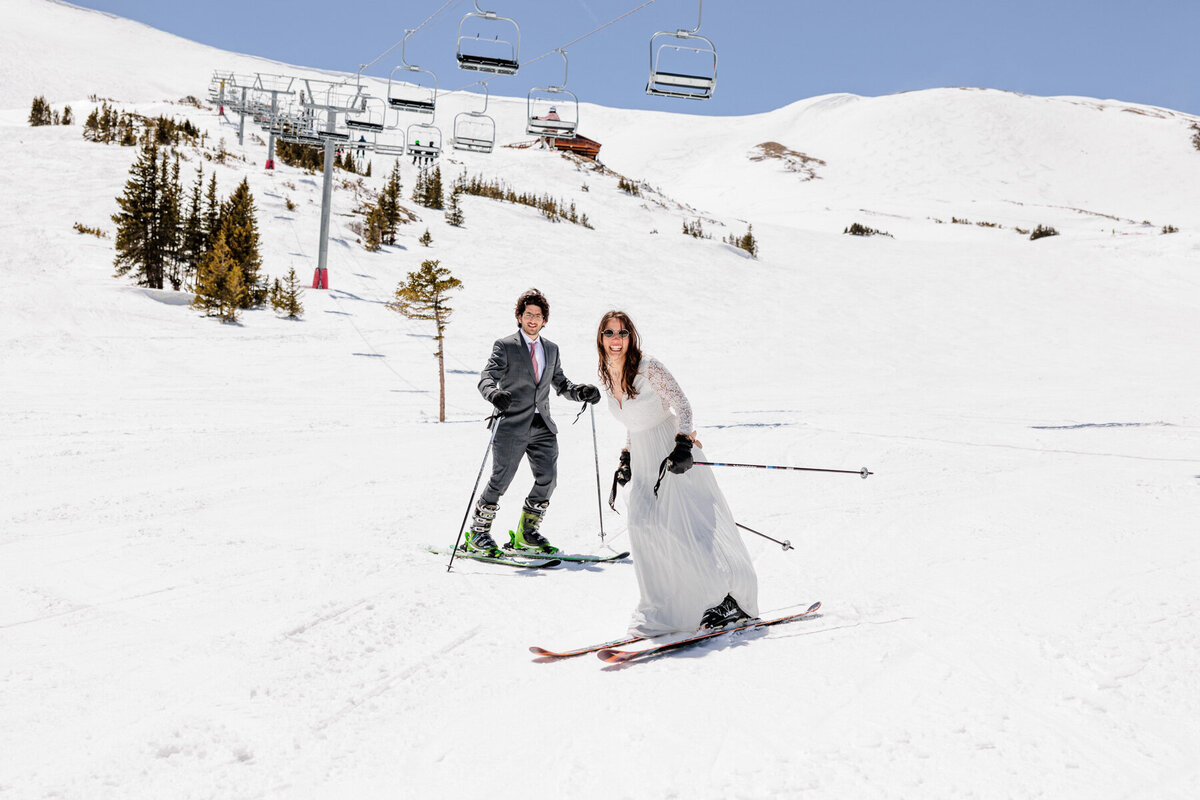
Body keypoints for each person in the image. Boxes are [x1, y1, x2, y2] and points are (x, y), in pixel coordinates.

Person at [597, 310, 759, 635]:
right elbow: (633, 419)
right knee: (642, 524)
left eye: (623, 333)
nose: (616, 340)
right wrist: (626, 456)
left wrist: (684, 444)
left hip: (671, 452)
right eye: (610, 333)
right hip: (644, 458)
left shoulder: (648, 367)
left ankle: (727, 599)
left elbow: (682, 405)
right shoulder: (605, 374)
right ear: (601, 338)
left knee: (688, 529)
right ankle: (662, 608)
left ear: (632, 337)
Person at [467, 289, 602, 555]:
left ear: (544, 320)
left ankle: (526, 534)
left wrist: (580, 392)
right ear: (519, 317)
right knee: (501, 479)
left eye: (538, 316)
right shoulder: (505, 345)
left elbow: (561, 383)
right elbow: (486, 377)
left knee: (548, 479)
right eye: (528, 314)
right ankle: (477, 534)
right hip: (512, 424)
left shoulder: (551, 349)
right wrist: (493, 394)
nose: (533, 319)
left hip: (543, 426)